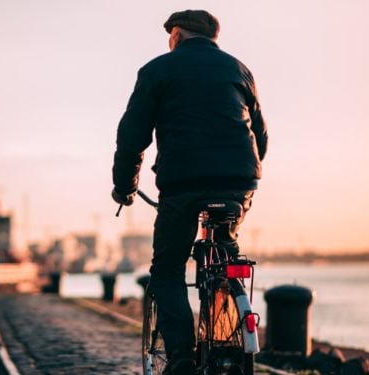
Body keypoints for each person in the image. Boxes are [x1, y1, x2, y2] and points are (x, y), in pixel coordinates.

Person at [110, 9, 268, 375]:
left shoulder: (157, 71)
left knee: (166, 269)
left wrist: (125, 186)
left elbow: (132, 136)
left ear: (177, 35)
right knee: (226, 254)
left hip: (182, 184)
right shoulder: (239, 70)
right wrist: (243, 176)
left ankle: (181, 358)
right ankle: (226, 336)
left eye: (170, 37)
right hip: (238, 182)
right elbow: (260, 135)